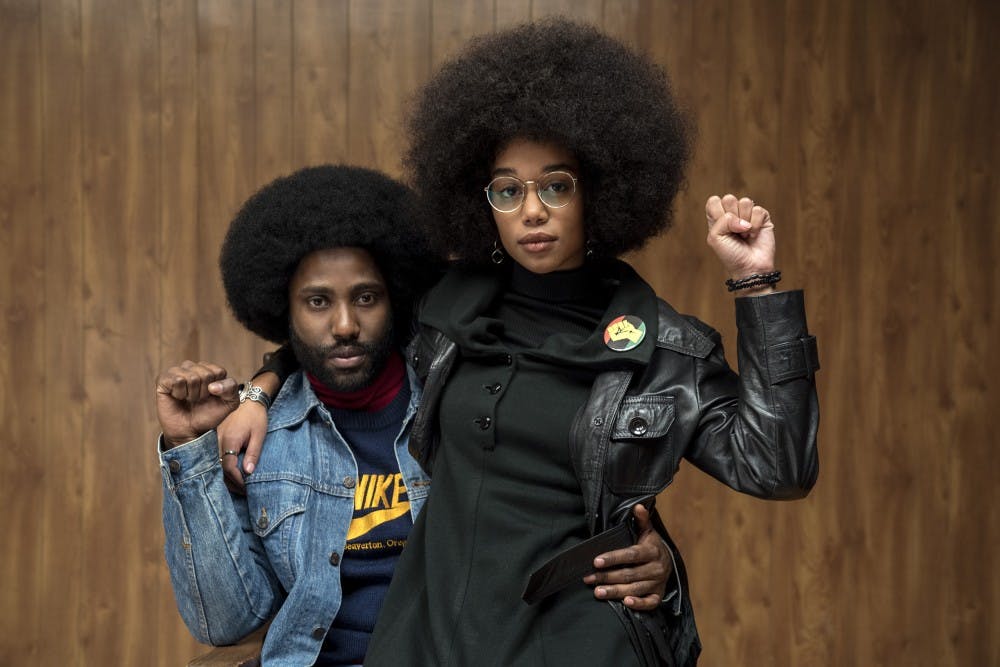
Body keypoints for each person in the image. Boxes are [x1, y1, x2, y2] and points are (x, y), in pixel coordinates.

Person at [228, 18, 820, 666]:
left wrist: (755, 284)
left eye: (555, 185)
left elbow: (777, 467)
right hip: (432, 637)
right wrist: (261, 389)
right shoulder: (441, 310)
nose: (531, 210)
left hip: (577, 642)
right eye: (508, 190)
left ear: (599, 191)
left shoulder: (665, 352)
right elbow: (344, 335)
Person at [156, 165, 674, 667]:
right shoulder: (261, 439)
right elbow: (225, 621)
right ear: (283, 312)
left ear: (397, 300)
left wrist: (653, 555)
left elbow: (565, 504)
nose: (345, 325)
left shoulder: (462, 402)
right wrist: (188, 449)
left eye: (366, 297)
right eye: (317, 302)